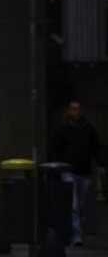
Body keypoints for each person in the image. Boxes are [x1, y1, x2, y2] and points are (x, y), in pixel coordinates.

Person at [49, 100, 103, 246]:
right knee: (73, 205)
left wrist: (101, 163)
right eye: (73, 109)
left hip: (84, 171)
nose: (76, 112)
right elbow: (55, 148)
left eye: (78, 109)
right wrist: (58, 167)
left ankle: (77, 231)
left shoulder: (88, 128)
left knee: (81, 204)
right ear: (68, 111)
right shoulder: (63, 129)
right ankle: (76, 236)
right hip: (69, 170)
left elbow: (96, 147)